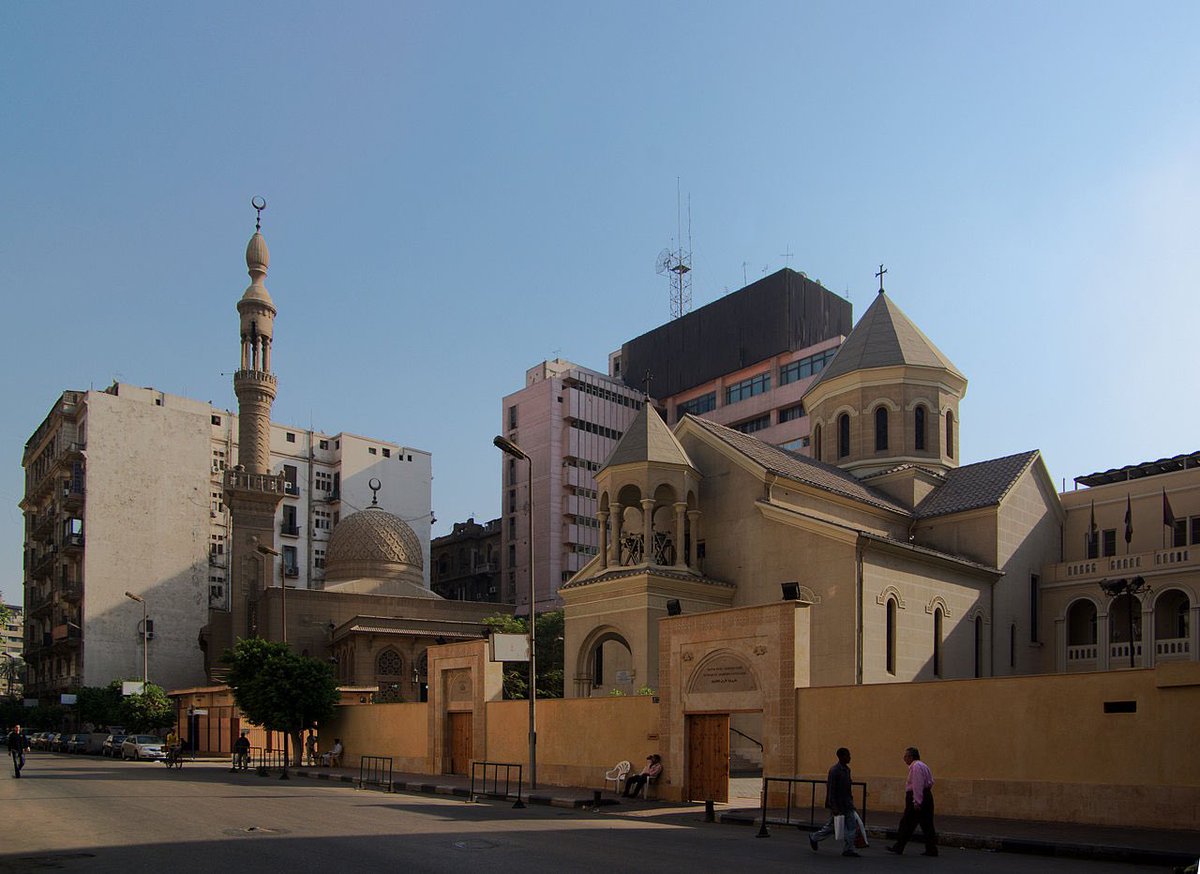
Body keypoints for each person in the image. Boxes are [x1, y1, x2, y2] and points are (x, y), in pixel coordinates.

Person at [809, 747, 860, 857]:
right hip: (838, 804)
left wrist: (851, 803)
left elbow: (848, 788)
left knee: (851, 826)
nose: (849, 757)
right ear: (841, 757)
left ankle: (849, 849)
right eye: (847, 755)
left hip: (847, 804)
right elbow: (831, 789)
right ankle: (814, 837)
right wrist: (833, 806)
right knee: (832, 827)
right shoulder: (835, 771)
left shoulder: (847, 770)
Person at [887, 746, 938, 857]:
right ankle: (931, 848)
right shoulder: (923, 765)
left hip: (917, 797)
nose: (904, 758)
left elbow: (917, 784)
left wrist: (917, 801)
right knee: (927, 824)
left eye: (905, 756)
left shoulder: (915, 767)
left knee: (906, 823)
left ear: (911, 756)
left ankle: (899, 846)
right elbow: (930, 781)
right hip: (927, 796)